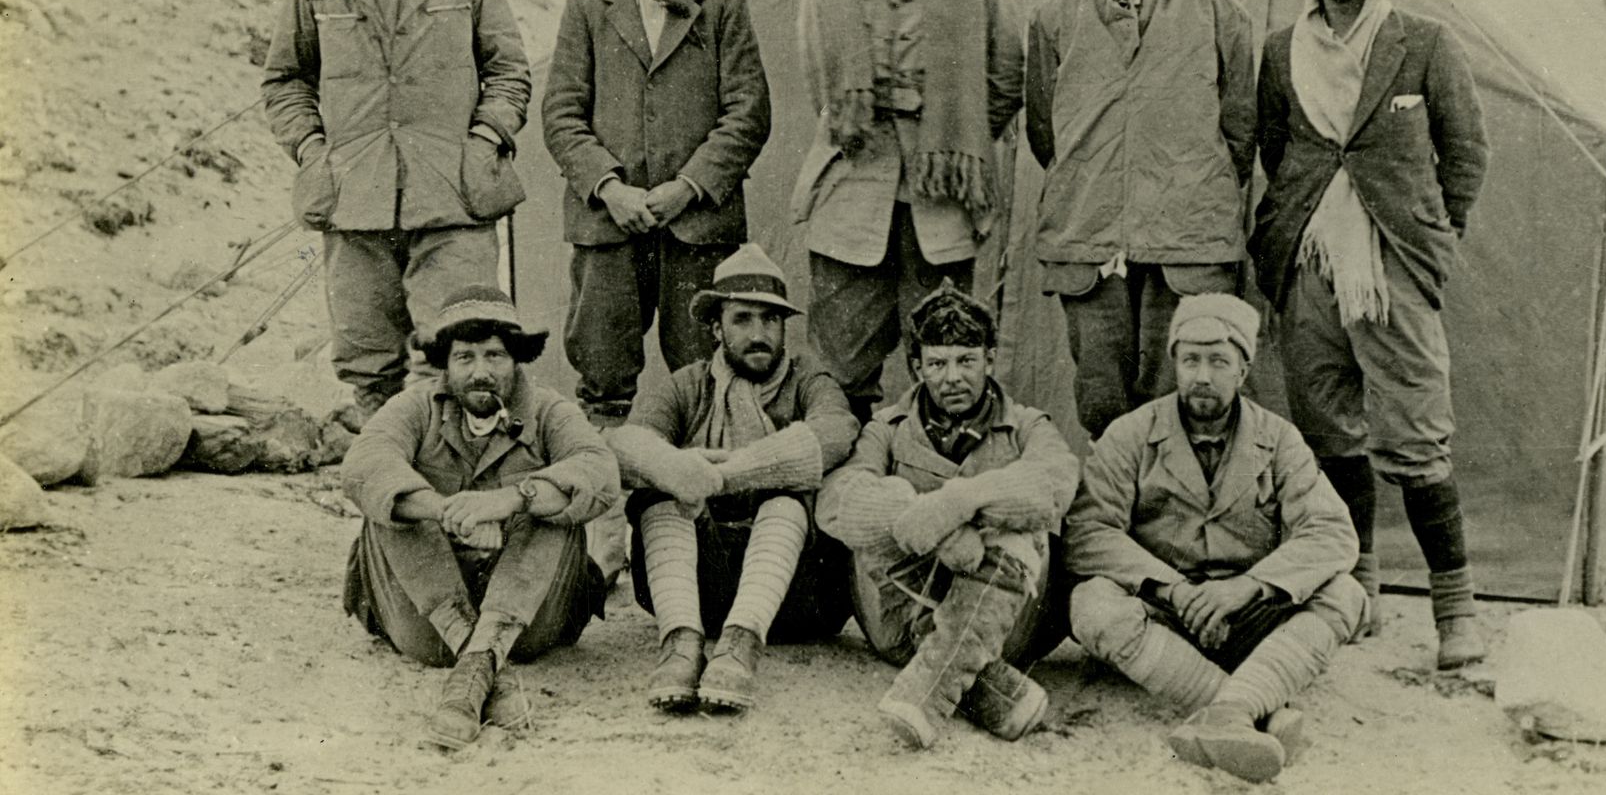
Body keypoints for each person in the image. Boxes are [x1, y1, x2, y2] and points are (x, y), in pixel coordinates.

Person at [1249, 0, 1491, 667]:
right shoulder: (1283, 49)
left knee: (1417, 437)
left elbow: (1466, 153)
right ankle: (1359, 590)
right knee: (1328, 435)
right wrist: (1300, 223)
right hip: (1310, 261)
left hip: (1392, 265)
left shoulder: (1421, 43)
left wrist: (1427, 241)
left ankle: (1457, 614)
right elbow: (1274, 148)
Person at [262, 0, 531, 424]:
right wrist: (311, 150)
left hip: (455, 197)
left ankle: (461, 496)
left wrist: (485, 140)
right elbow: (284, 81)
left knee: (462, 352)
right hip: (355, 199)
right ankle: (388, 498)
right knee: (367, 362)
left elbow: (509, 70)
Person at [1065, 293, 1363, 783]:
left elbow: (1331, 531)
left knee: (1345, 594)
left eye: (1219, 361)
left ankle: (1227, 712)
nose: (1203, 376)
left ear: (1243, 371)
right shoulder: (1130, 435)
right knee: (1091, 603)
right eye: (1190, 361)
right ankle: (1248, 710)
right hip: (1166, 616)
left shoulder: (1279, 438)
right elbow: (1088, 530)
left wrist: (1249, 587)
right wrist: (1172, 589)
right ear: (1175, 365)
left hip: (1250, 614)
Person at [790, 0, 1024, 424]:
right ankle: (843, 500)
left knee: (946, 355)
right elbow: (819, 76)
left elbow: (1004, 81)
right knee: (841, 365)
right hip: (852, 192)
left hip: (942, 202)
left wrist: (953, 139)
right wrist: (862, 117)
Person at [1025, 0, 1256, 441]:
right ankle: (1108, 518)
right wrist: (1095, 176)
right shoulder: (1055, 20)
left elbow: (1242, 126)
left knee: (1180, 384)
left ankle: (1171, 519)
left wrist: (1188, 179)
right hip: (1089, 231)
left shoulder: (1218, 13)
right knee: (1101, 390)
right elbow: (1043, 132)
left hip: (1188, 235)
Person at [542, 0, 773, 425]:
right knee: (601, 370)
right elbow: (561, 114)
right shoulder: (585, 9)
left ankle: (697, 498)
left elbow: (748, 111)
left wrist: (688, 186)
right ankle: (605, 496)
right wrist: (610, 189)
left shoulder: (722, 6)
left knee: (702, 370)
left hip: (696, 228)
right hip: (608, 225)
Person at [340, 286, 619, 749]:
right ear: (445, 367)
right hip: (425, 613)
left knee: (555, 509)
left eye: (495, 356)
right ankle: (486, 663)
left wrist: (513, 499)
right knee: (390, 506)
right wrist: (445, 510)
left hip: (531, 614)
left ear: (517, 361)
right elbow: (363, 466)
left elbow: (601, 471)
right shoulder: (415, 406)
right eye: (465, 358)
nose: (481, 372)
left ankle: (473, 668)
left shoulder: (550, 409)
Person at [818, 281, 1080, 749]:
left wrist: (959, 501)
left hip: (1006, 626)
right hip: (901, 617)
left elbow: (1054, 486)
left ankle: (926, 694)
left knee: (1022, 538)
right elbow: (837, 500)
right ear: (917, 368)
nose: (952, 378)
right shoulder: (887, 429)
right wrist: (929, 523)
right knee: (881, 500)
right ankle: (988, 686)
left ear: (990, 360)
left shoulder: (1027, 425)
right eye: (937, 364)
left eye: (966, 361)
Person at [607, 244, 859, 714]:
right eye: (742, 319)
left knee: (787, 496)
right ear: (715, 327)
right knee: (659, 492)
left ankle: (740, 645)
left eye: (771, 320)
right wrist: (681, 470)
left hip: (791, 595)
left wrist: (725, 475)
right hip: (694, 585)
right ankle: (681, 645)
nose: (759, 334)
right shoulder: (688, 384)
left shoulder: (808, 380)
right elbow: (625, 446)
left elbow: (836, 431)